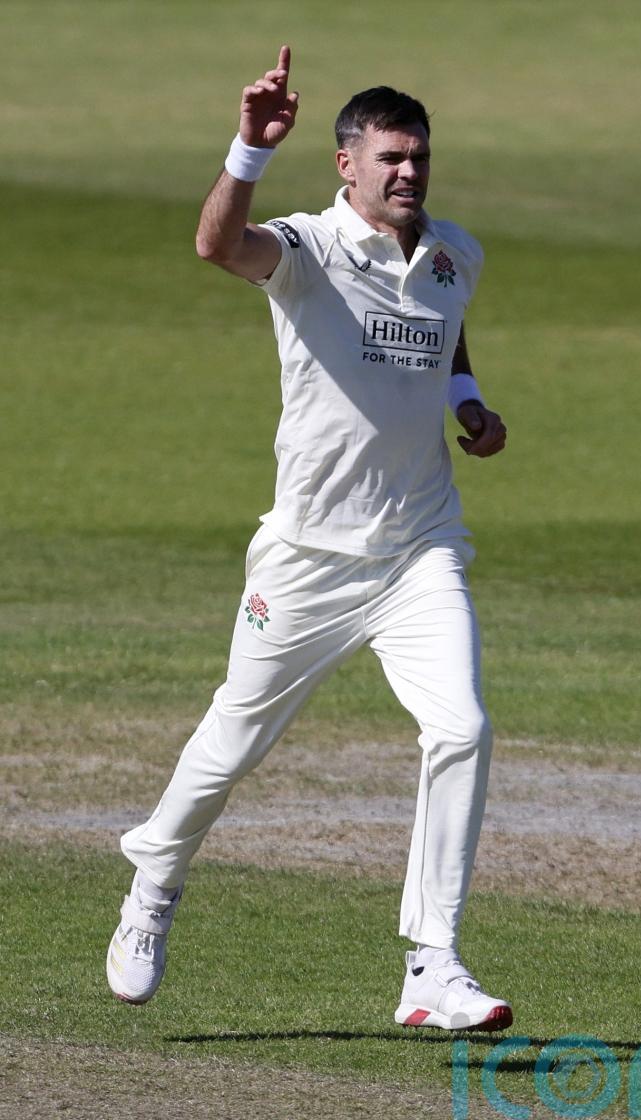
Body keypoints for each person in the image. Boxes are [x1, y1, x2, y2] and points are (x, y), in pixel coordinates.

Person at [106, 44, 511, 1033]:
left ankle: (432, 964)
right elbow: (216, 247)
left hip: (419, 549)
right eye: (389, 158)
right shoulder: (304, 248)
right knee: (231, 740)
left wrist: (464, 396)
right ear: (346, 165)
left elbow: (441, 320)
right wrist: (247, 149)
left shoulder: (454, 250)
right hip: (309, 560)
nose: (408, 171)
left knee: (459, 728)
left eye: (418, 156)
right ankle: (154, 877)